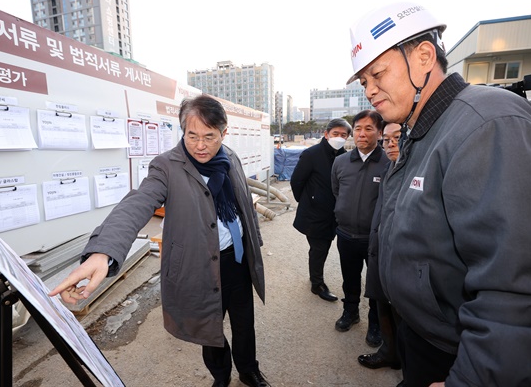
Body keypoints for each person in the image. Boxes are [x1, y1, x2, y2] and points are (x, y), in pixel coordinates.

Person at [347, 1, 531, 387]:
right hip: (422, 336)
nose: (369, 90)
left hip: (458, 354)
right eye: (363, 81)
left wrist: (472, 378)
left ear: (424, 56)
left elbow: (513, 286)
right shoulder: (422, 130)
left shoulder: (487, 123)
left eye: (377, 73)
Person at [49, 95, 271, 387]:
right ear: (182, 131)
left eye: (209, 136)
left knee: (245, 323)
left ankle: (248, 369)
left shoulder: (229, 157)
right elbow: (137, 204)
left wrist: (254, 240)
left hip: (237, 260)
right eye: (192, 136)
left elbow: (242, 202)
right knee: (208, 328)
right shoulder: (167, 166)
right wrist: (102, 252)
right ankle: (221, 376)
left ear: (223, 133)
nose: (200, 146)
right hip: (198, 266)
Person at [330, 110, 388, 347]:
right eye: (358, 129)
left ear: (380, 132)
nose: (362, 134)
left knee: (376, 283)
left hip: (375, 237)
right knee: (349, 277)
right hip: (345, 234)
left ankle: (376, 322)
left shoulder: (389, 163)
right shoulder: (340, 162)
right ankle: (351, 312)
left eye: (369, 128)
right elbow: (336, 192)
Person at [357, 122, 402, 374]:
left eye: (398, 137)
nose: (391, 143)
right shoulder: (390, 169)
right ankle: (389, 352)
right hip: (380, 249)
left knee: (405, 316)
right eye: (387, 139)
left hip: (402, 257)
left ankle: (409, 366)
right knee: (383, 302)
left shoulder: (417, 170)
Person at [290, 118, 351, 302]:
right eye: (335, 134)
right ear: (326, 134)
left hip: (336, 213)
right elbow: (297, 181)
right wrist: (309, 201)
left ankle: (315, 278)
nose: (339, 138)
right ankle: (317, 284)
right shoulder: (311, 154)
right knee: (319, 249)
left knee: (325, 247)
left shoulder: (346, 156)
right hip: (315, 214)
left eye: (343, 135)